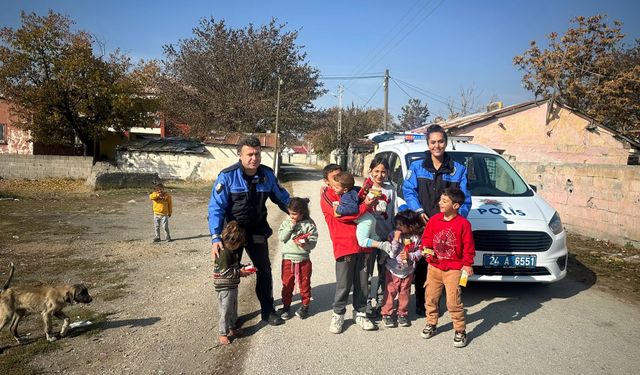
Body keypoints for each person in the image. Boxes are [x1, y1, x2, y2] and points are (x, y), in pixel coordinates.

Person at [208, 135, 291, 326]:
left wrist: (299, 213)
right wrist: (215, 238)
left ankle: (268, 311)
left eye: (258, 154)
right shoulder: (227, 176)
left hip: (257, 231)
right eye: (250, 154)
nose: (254, 158)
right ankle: (229, 320)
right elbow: (215, 209)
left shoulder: (267, 175)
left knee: (264, 270)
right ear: (240, 155)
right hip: (232, 235)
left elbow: (283, 199)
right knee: (227, 274)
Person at [402, 124, 471, 316]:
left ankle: (445, 302)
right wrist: (417, 209)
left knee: (447, 265)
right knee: (424, 264)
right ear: (428, 143)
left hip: (447, 228)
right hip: (424, 225)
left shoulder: (458, 170)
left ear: (446, 143)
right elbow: (408, 190)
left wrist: (456, 221)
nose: (437, 145)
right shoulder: (417, 167)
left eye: (441, 141)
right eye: (433, 142)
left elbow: (464, 200)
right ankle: (423, 304)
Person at [320, 164, 377, 333]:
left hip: (363, 244)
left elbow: (364, 211)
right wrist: (365, 206)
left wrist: (368, 202)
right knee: (344, 284)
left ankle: (360, 312)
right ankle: (338, 314)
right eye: (334, 178)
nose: (340, 180)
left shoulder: (350, 192)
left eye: (341, 176)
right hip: (344, 245)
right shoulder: (328, 195)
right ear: (327, 182)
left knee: (362, 282)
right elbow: (342, 216)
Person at [420, 187, 476, 348]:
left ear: (456, 206)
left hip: (454, 270)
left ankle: (460, 330)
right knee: (430, 298)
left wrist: (467, 264)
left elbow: (468, 247)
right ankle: (431, 323)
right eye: (440, 200)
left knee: (453, 302)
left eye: (445, 201)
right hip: (434, 267)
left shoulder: (463, 224)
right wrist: (427, 251)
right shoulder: (434, 220)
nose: (440, 203)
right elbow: (427, 238)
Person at [362, 156, 397, 317]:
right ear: (370, 171)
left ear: (388, 173)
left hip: (385, 238)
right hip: (369, 239)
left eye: (383, 172)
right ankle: (367, 303)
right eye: (376, 171)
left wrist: (395, 235)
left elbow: (394, 213)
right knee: (367, 273)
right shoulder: (364, 188)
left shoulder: (391, 189)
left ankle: (383, 303)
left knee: (384, 273)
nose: (380, 175)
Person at [379, 210, 423, 328]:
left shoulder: (416, 238)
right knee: (390, 291)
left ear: (411, 226)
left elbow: (420, 252)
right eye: (397, 225)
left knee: (405, 293)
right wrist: (395, 240)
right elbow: (392, 253)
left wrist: (411, 256)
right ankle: (386, 313)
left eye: (401, 225)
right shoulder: (393, 235)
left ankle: (402, 313)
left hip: (407, 270)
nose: (398, 227)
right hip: (392, 269)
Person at [277, 197, 318, 320]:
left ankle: (305, 306)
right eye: (290, 213)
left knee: (304, 283)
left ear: (302, 213)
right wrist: (290, 226)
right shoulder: (286, 222)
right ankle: (286, 307)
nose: (292, 216)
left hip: (303, 260)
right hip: (288, 259)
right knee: (287, 284)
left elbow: (313, 243)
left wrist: (305, 243)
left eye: (294, 214)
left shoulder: (309, 225)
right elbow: (282, 237)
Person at [213, 221, 253, 345]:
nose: (239, 247)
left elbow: (234, 266)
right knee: (225, 309)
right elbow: (225, 272)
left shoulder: (231, 251)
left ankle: (232, 327)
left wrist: (243, 268)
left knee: (233, 308)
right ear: (234, 243)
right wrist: (239, 272)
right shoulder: (224, 252)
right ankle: (222, 332)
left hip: (232, 285)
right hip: (224, 286)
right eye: (239, 244)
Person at [332, 171, 390, 252]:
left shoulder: (346, 197)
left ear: (345, 190)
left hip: (364, 221)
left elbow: (353, 209)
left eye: (336, 187)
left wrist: (338, 209)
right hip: (370, 218)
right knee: (374, 237)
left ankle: (382, 245)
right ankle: (386, 249)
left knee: (363, 242)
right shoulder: (353, 189)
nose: (333, 188)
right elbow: (361, 190)